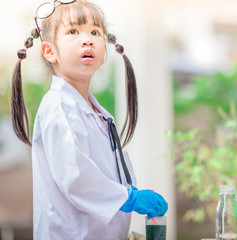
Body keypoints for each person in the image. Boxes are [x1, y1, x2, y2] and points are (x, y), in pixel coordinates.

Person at [10, 0, 168, 239]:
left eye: (95, 32)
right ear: (50, 51)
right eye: (73, 31)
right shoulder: (59, 106)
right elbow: (76, 177)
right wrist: (130, 198)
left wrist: (130, 192)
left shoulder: (97, 113)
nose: (88, 39)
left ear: (104, 51)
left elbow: (106, 172)